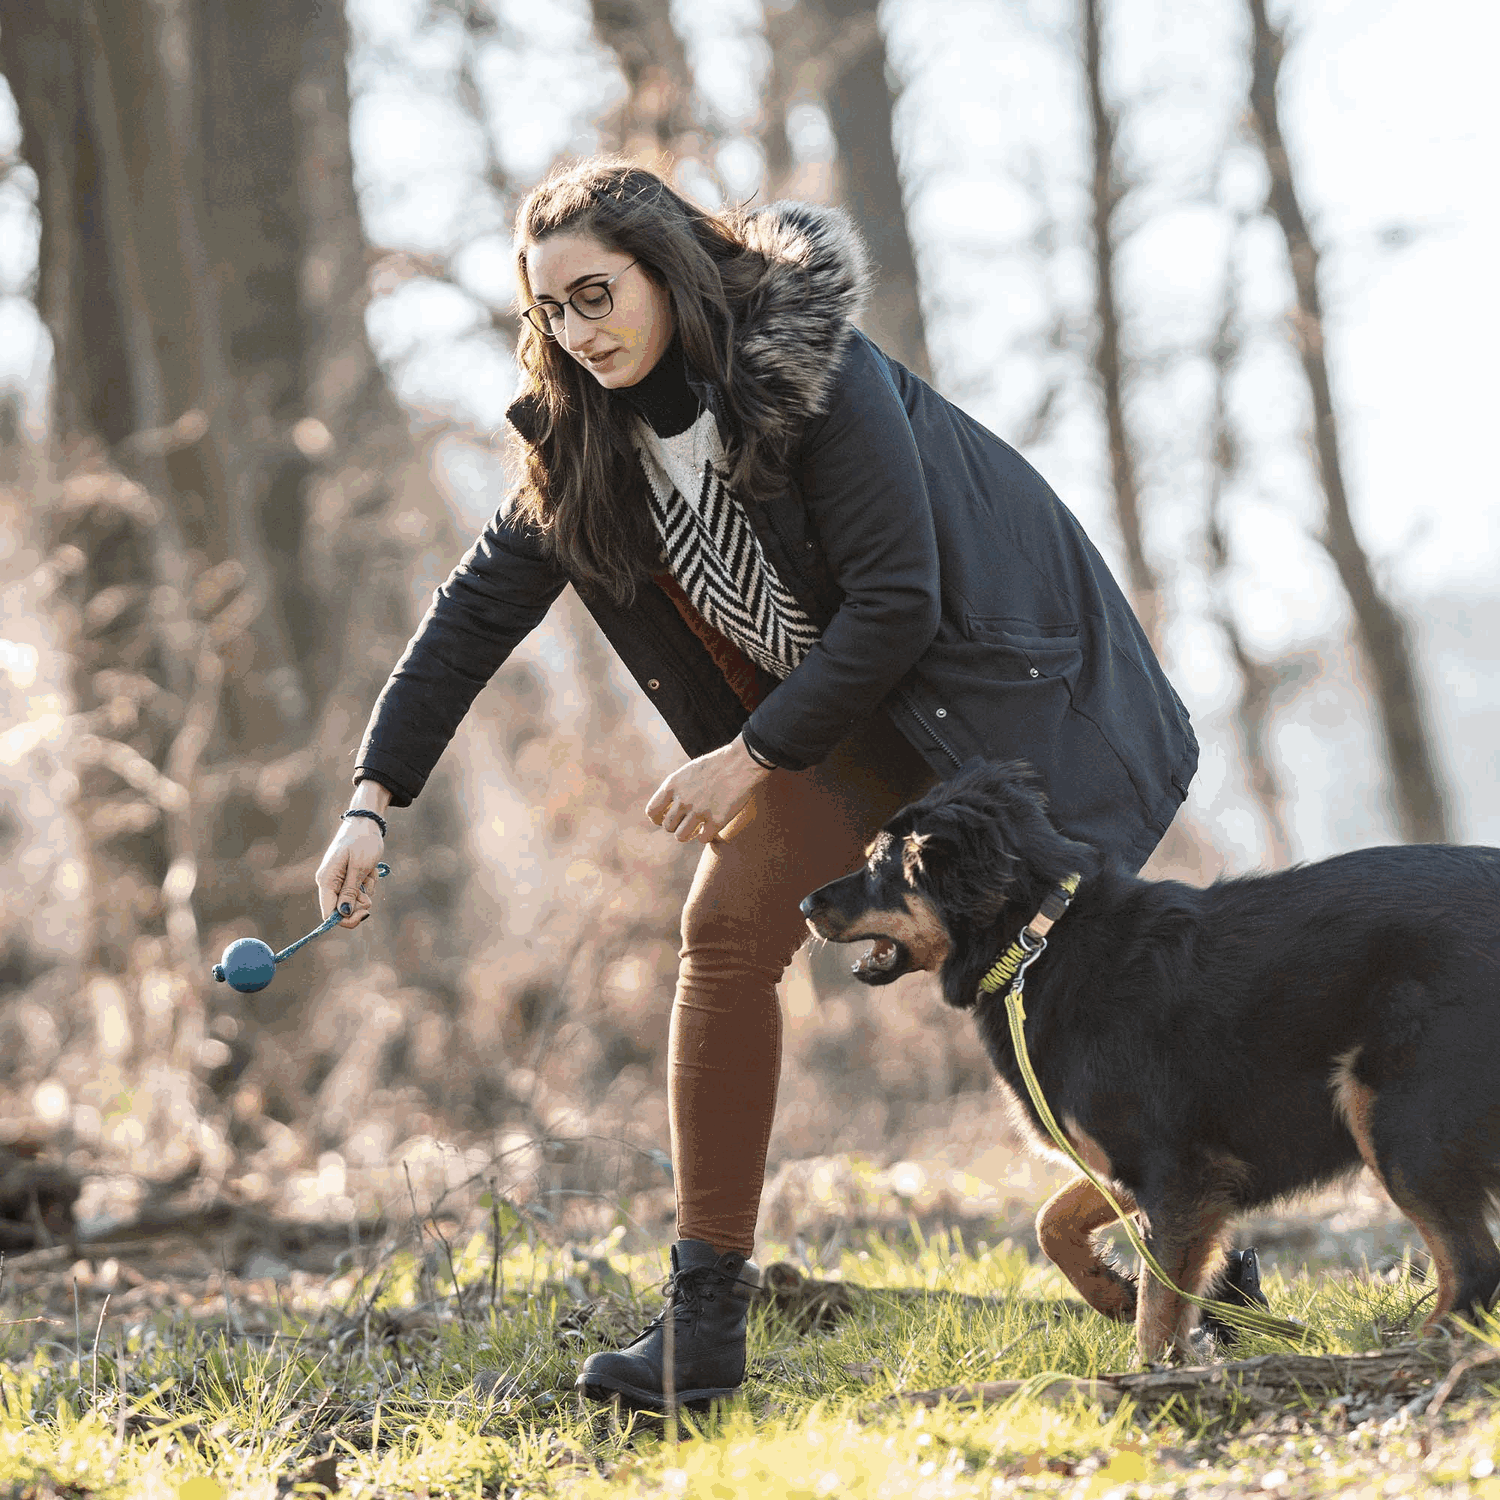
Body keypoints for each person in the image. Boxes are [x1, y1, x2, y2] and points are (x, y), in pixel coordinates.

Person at [314, 157, 1199, 1410]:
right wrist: (371, 799)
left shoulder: (812, 375)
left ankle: (1213, 1244)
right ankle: (703, 1323)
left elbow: (900, 603)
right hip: (840, 720)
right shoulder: (583, 448)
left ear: (666, 271)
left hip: (1001, 703)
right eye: (552, 311)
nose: (579, 331)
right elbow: (468, 621)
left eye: (598, 294)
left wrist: (750, 759)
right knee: (725, 931)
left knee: (1053, 989)